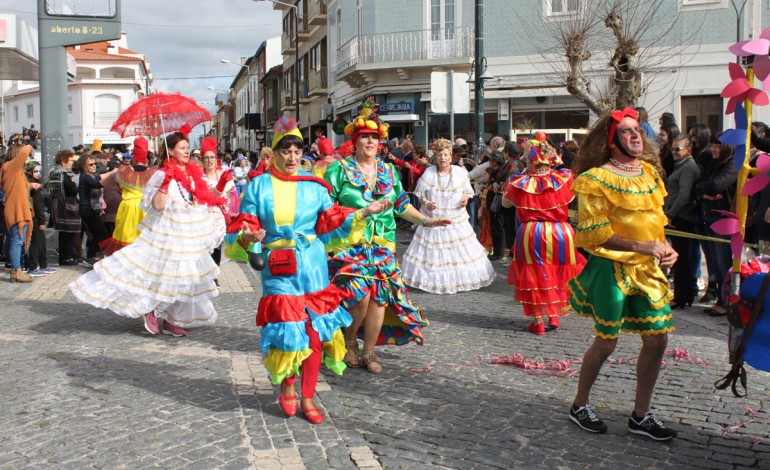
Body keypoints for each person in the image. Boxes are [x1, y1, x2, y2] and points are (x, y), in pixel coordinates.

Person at [227, 116, 389, 424]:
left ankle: (308, 396)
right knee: (289, 333)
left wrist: (364, 212)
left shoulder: (315, 186)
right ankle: (288, 386)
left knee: (315, 334)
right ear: (273, 153)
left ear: (303, 153)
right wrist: (249, 237)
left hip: (313, 267)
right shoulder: (259, 186)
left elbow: (330, 220)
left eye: (296, 151)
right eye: (285, 151)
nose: (291, 157)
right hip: (278, 269)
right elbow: (245, 223)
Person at [567, 107, 678, 441]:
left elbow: (655, 221)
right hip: (610, 268)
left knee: (658, 339)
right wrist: (640, 246)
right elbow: (594, 233)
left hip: (646, 270)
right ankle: (579, 405)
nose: (635, 135)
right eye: (626, 131)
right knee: (607, 342)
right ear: (611, 142)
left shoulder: (649, 173)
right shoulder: (595, 179)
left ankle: (641, 416)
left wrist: (666, 246)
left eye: (636, 130)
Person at [324, 98, 451, 374]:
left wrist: (427, 221)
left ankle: (369, 351)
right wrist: (355, 216)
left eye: (373, 138)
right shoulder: (338, 169)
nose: (370, 142)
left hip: (382, 245)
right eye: (364, 137)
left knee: (380, 297)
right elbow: (327, 208)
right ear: (355, 142)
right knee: (359, 297)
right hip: (351, 243)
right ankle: (348, 342)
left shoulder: (388, 170)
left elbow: (401, 206)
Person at [69, 131, 226, 338]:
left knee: (184, 277)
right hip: (166, 232)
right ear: (170, 151)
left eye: (187, 147)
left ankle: (171, 320)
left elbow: (202, 198)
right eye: (182, 148)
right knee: (158, 273)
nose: (187, 151)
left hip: (186, 231)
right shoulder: (161, 174)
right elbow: (158, 206)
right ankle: (149, 308)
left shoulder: (192, 174)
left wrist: (221, 186)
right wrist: (165, 183)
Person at [503, 139, 585, 335]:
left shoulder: (521, 181)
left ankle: (538, 321)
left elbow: (506, 204)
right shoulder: (563, 178)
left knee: (534, 274)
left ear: (531, 161)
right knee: (558, 272)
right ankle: (554, 315)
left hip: (532, 232)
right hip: (561, 232)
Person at [401, 138, 495, 294]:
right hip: (435, 219)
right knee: (433, 252)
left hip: (456, 218)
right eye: (439, 155)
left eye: (445, 155)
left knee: (460, 251)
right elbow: (420, 195)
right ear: (435, 157)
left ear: (451, 157)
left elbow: (467, 191)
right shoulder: (429, 172)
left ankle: (460, 278)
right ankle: (432, 279)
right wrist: (426, 203)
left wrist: (465, 198)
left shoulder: (460, 173)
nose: (442, 158)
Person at [693, 135, 737, 317]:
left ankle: (726, 302)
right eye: (712, 146)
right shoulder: (713, 164)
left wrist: (705, 190)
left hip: (722, 220)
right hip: (708, 218)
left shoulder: (732, 164)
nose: (713, 150)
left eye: (717, 146)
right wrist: (704, 193)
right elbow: (699, 185)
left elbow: (717, 186)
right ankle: (719, 299)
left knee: (722, 263)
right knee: (713, 263)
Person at [102, 137, 157, 256]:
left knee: (126, 237)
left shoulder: (123, 172)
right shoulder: (153, 173)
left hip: (128, 207)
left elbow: (105, 181)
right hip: (146, 207)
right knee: (144, 239)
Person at [664, 135, 701, 309]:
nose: (674, 152)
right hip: (675, 215)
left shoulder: (688, 167)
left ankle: (682, 296)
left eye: (678, 149)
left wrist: (671, 214)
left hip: (682, 217)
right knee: (680, 258)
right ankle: (682, 295)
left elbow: (684, 194)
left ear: (688, 150)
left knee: (682, 258)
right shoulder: (680, 165)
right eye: (672, 149)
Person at [1, 144, 34, 282]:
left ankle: (16, 269)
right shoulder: (11, 166)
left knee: (16, 239)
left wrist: (31, 186)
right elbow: (23, 154)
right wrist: (27, 146)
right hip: (15, 209)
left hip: (18, 207)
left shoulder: (14, 169)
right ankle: (16, 271)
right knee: (17, 240)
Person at [77, 155, 118, 267]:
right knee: (102, 233)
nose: (94, 166)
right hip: (88, 209)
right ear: (84, 167)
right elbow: (97, 183)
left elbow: (98, 177)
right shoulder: (84, 177)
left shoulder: (90, 176)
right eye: (91, 164)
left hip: (92, 209)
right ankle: (91, 256)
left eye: (95, 164)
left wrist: (112, 172)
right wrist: (112, 174)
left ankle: (91, 256)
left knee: (96, 234)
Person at [48, 150, 82, 265]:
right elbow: (71, 189)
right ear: (63, 161)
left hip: (61, 204)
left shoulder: (56, 172)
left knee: (65, 233)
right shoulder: (61, 173)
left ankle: (66, 256)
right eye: (71, 160)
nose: (73, 163)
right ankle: (65, 257)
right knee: (66, 233)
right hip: (64, 206)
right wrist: (76, 186)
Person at [25, 162, 55, 276]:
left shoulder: (36, 184)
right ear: (29, 172)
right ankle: (33, 267)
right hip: (35, 218)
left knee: (42, 242)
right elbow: (38, 205)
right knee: (36, 243)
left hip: (36, 217)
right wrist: (42, 220)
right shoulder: (33, 186)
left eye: (39, 171)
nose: (38, 174)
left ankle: (43, 265)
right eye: (35, 171)